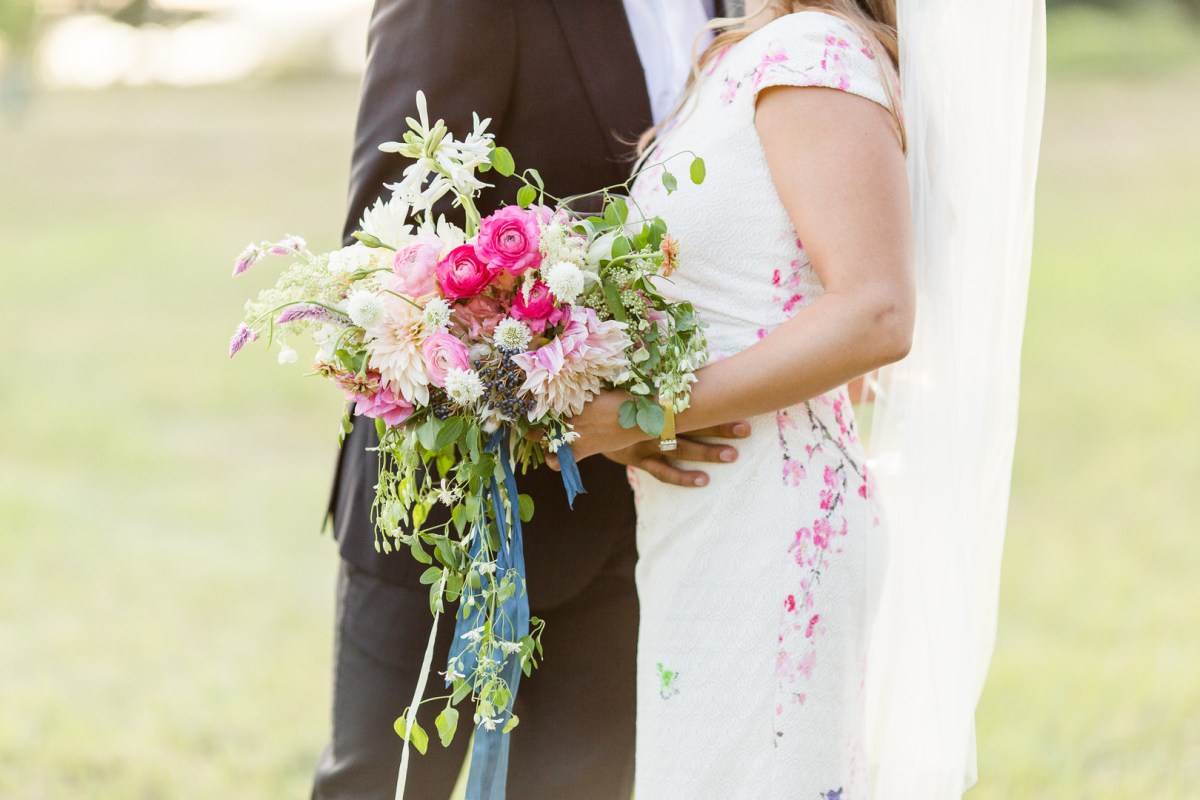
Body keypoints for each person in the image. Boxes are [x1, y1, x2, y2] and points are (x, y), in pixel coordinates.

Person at [562, 0, 1046, 795]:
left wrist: (651, 413)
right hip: (706, 518)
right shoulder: (751, 53)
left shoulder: (814, 54)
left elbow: (876, 313)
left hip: (771, 525)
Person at [311, 2, 742, 798]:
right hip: (449, 505)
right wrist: (567, 413)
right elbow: (386, 261)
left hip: (633, 514)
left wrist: (650, 408)